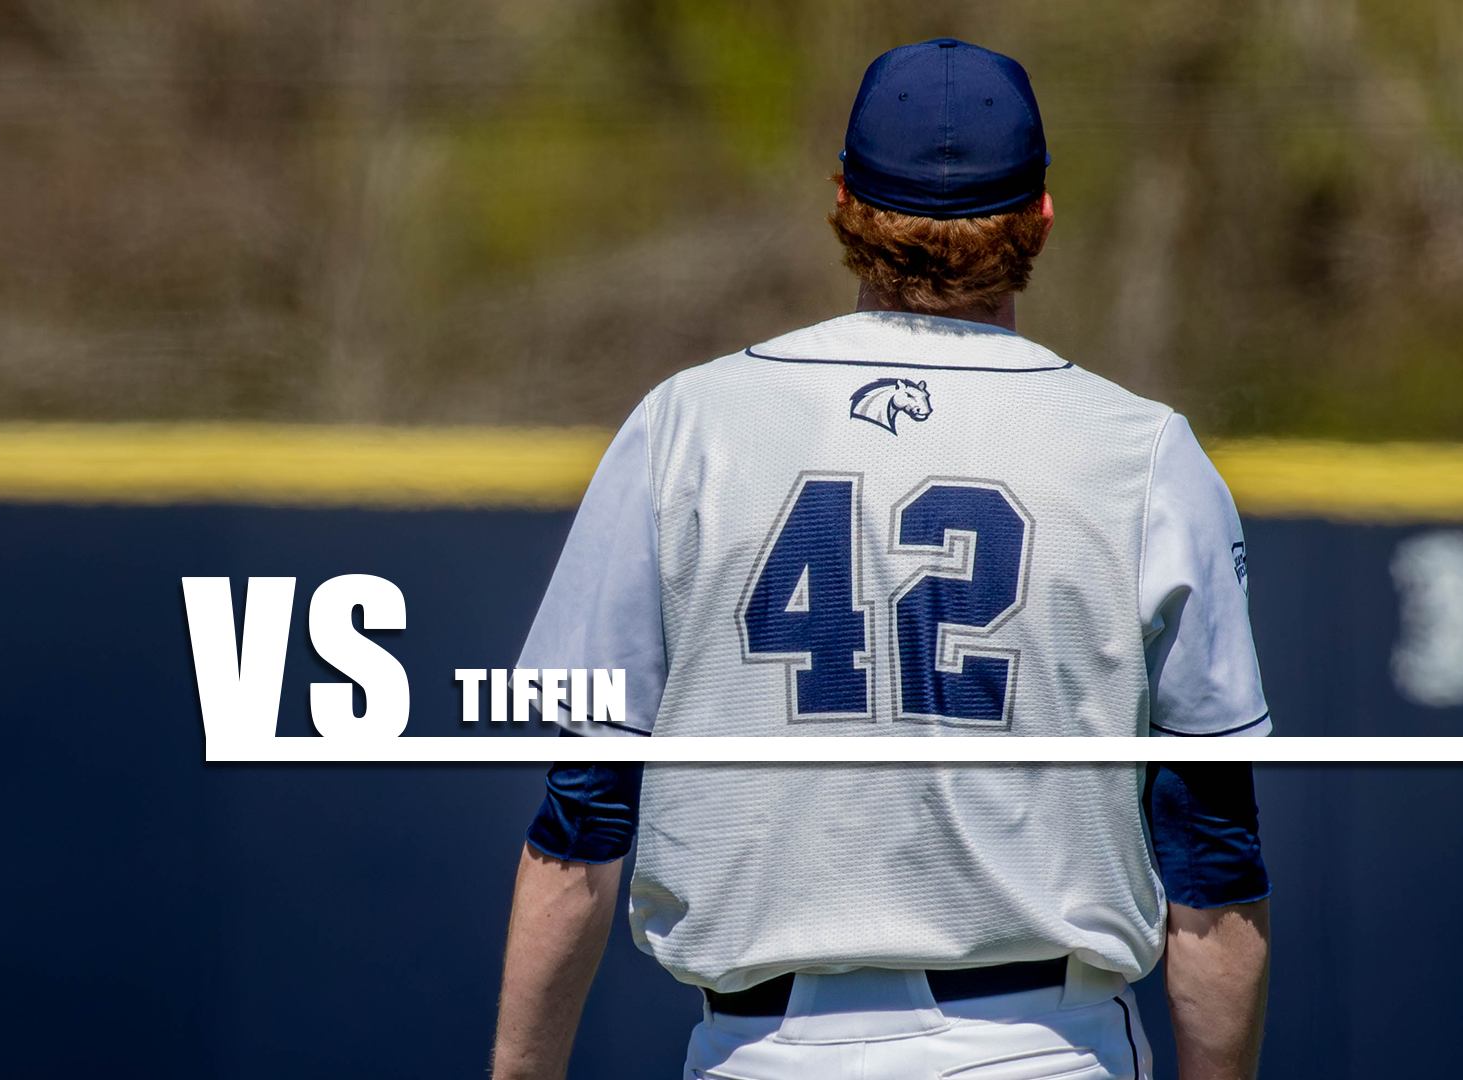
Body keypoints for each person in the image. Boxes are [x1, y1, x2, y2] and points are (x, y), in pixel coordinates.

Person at [491, 38, 1272, 1080]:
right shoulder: (1142, 452)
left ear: (847, 205)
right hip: (1042, 1046)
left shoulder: (691, 425)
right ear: (1040, 215)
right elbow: (1212, 862)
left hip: (761, 1051)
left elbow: (583, 818)